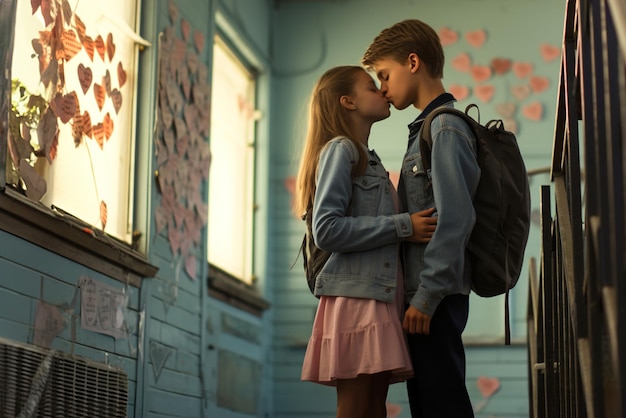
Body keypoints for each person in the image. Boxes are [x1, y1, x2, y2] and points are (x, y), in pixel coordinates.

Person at [294, 65, 437, 418]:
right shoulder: (341, 150)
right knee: (358, 408)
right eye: (371, 87)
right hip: (358, 299)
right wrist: (403, 226)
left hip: (378, 296)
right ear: (348, 102)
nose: (382, 91)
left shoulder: (367, 158)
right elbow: (326, 229)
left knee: (374, 409)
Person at [362, 19, 480, 418]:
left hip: (435, 297)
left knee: (441, 405)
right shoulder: (425, 130)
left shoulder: (443, 127)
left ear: (412, 62)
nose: (382, 88)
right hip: (425, 295)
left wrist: (426, 299)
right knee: (431, 404)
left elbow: (455, 220)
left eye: (384, 75)